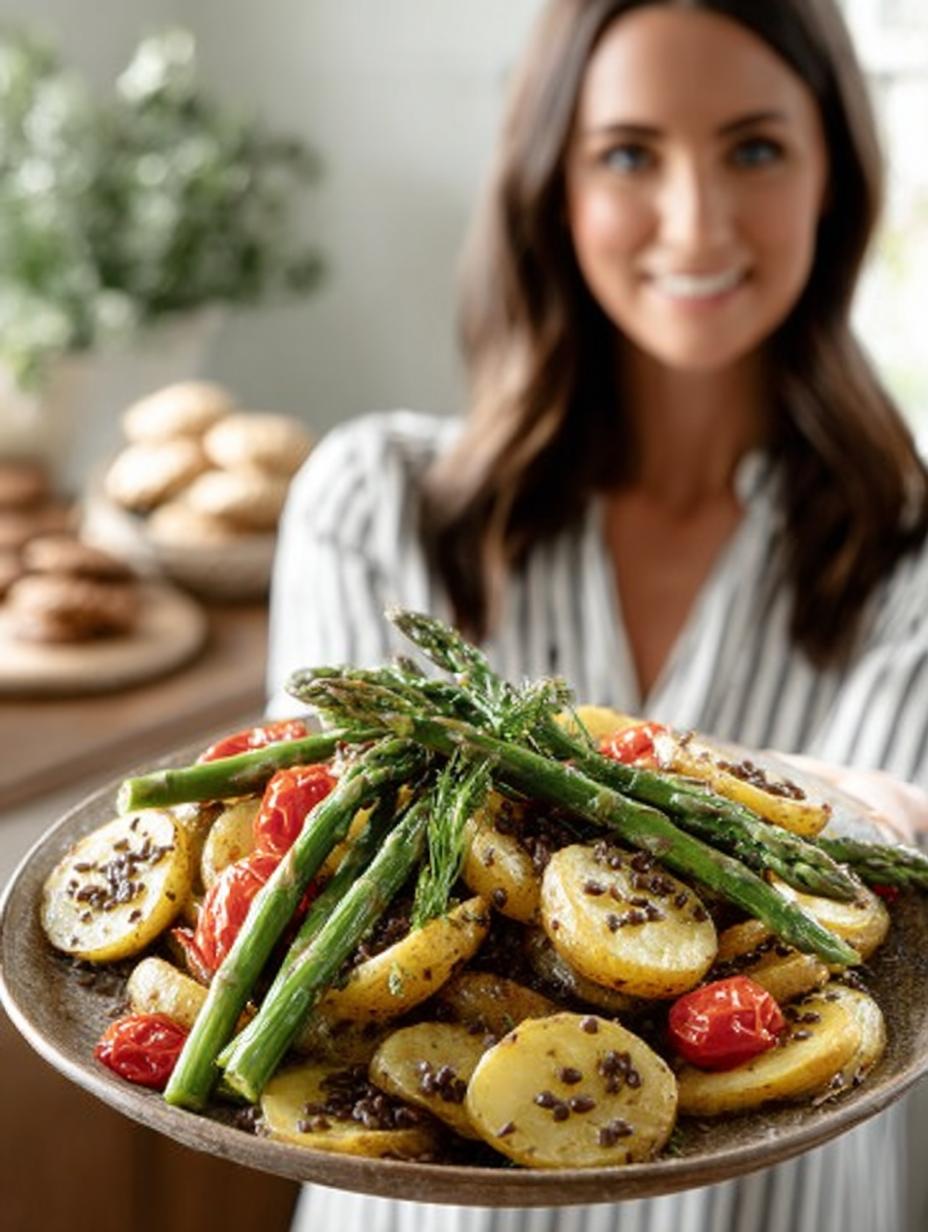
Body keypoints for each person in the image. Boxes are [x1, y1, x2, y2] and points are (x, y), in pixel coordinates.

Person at [267, 2, 928, 1230]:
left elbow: (890, 885)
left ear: (835, 175)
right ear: (548, 183)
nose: (695, 220)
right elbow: (303, 895)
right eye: (629, 153)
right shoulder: (372, 503)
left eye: (754, 148)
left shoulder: (913, 551)